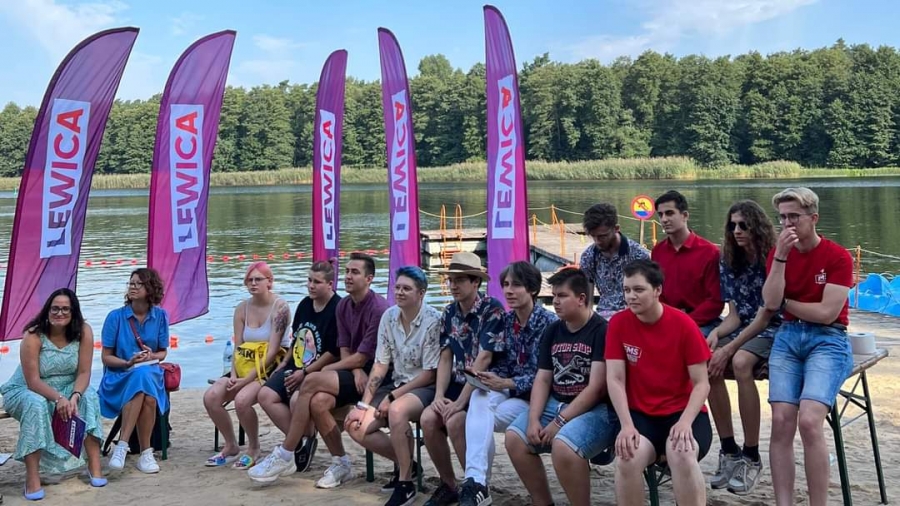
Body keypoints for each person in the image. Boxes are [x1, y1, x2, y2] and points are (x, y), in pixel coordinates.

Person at [249, 252, 389, 488]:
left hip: (376, 375)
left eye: (355, 272)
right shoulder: (344, 305)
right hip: (353, 371)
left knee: (311, 381)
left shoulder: (378, 308)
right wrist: (354, 369)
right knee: (318, 402)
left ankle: (286, 453)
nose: (348, 276)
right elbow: (345, 348)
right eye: (347, 271)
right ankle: (341, 463)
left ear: (369, 279)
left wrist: (328, 368)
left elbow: (363, 357)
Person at [761, 187, 854, 506]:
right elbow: (769, 302)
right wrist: (781, 257)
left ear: (813, 218)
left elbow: (827, 313)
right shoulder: (778, 254)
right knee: (781, 421)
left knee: (810, 420)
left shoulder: (837, 256)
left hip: (828, 338)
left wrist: (786, 303)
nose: (787, 224)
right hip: (788, 336)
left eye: (794, 217)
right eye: (782, 217)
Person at [505, 268, 617, 506]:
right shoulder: (553, 330)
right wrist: (533, 419)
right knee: (515, 438)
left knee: (564, 446)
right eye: (554, 295)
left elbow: (597, 388)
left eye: (562, 296)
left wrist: (559, 422)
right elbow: (543, 378)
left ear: (581, 298)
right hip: (556, 403)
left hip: (596, 409)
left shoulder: (601, 330)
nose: (555, 301)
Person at [606, 259, 712, 506]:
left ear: (657, 290)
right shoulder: (619, 323)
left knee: (682, 453)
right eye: (626, 290)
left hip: (682, 413)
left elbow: (702, 383)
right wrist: (626, 425)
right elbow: (615, 378)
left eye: (638, 289)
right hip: (641, 416)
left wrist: (685, 422)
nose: (631, 296)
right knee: (627, 457)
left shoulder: (683, 324)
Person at [459, 261, 557, 506]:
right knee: (480, 396)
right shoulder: (506, 321)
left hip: (537, 401)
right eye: (505, 285)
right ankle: (476, 482)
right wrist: (490, 378)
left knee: (480, 415)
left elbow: (546, 376)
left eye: (516, 285)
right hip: (511, 394)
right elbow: (502, 363)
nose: (509, 291)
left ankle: (478, 484)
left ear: (532, 289)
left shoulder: (549, 323)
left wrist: (506, 382)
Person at [346, 266, 441, 506]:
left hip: (425, 387)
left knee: (397, 411)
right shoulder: (388, 317)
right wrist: (363, 404)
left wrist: (392, 398)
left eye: (406, 288)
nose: (399, 292)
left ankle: (405, 483)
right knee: (354, 424)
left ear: (421, 293)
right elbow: (380, 364)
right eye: (397, 287)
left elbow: (430, 374)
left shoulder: (433, 320)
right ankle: (409, 465)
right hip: (397, 382)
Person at [0, 289, 106, 501]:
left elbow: (84, 372)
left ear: (73, 312)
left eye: (65, 309)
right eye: (55, 308)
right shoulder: (33, 335)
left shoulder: (83, 331)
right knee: (36, 404)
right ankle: (32, 479)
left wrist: (75, 396)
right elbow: (33, 381)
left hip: (68, 386)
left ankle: (94, 466)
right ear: (47, 310)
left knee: (90, 397)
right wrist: (58, 399)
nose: (60, 313)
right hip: (27, 388)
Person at [705, 200, 780, 494]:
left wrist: (730, 347)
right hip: (745, 326)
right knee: (706, 359)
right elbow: (735, 316)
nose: (737, 230)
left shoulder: (774, 258)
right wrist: (715, 334)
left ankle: (752, 454)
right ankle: (729, 449)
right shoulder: (728, 260)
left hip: (775, 326)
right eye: (732, 225)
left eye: (743, 225)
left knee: (740, 362)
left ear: (757, 226)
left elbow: (766, 316)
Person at [420, 252, 505, 506]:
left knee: (456, 421)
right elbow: (445, 356)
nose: (453, 285)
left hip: (482, 386)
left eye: (459, 280)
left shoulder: (492, 309)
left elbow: (484, 358)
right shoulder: (449, 312)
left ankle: (477, 486)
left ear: (475, 282)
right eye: (451, 280)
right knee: (428, 418)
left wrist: (459, 403)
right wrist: (438, 396)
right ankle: (449, 484)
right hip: (456, 383)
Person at [203, 262, 292, 469]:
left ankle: (253, 448)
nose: (253, 283)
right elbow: (238, 346)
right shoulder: (242, 308)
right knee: (211, 396)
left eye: (258, 279)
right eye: (249, 280)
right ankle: (231, 445)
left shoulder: (280, 307)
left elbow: (273, 351)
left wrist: (247, 380)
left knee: (242, 400)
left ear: (269, 282)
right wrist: (234, 374)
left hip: (269, 366)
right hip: (244, 363)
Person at [258, 261, 341, 472]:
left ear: (330, 284)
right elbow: (296, 338)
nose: (311, 286)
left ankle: (299, 442)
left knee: (297, 400)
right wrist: (284, 363)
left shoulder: (337, 308)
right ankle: (302, 441)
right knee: (265, 395)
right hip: (295, 364)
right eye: (309, 280)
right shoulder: (305, 304)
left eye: (317, 282)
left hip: (318, 371)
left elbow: (333, 352)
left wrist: (304, 372)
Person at [99, 268, 170, 474]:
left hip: (148, 371)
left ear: (150, 288)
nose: (133, 287)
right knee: (145, 392)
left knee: (143, 378)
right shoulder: (115, 317)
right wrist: (128, 362)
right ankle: (145, 452)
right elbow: (106, 357)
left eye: (138, 284)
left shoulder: (161, 316)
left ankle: (123, 446)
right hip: (120, 373)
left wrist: (151, 356)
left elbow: (162, 353)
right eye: (131, 283)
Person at [651, 190, 723, 335]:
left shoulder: (710, 252)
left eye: (669, 213)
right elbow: (658, 291)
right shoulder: (657, 251)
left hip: (702, 322)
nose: (664, 219)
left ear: (685, 216)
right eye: (660, 214)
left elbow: (715, 301)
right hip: (667, 319)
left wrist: (684, 322)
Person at [579, 203, 649, 320]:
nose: (597, 241)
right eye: (593, 236)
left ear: (616, 229)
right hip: (603, 316)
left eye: (602, 236)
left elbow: (647, 293)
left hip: (634, 315)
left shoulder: (638, 254)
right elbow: (587, 298)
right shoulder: (588, 256)